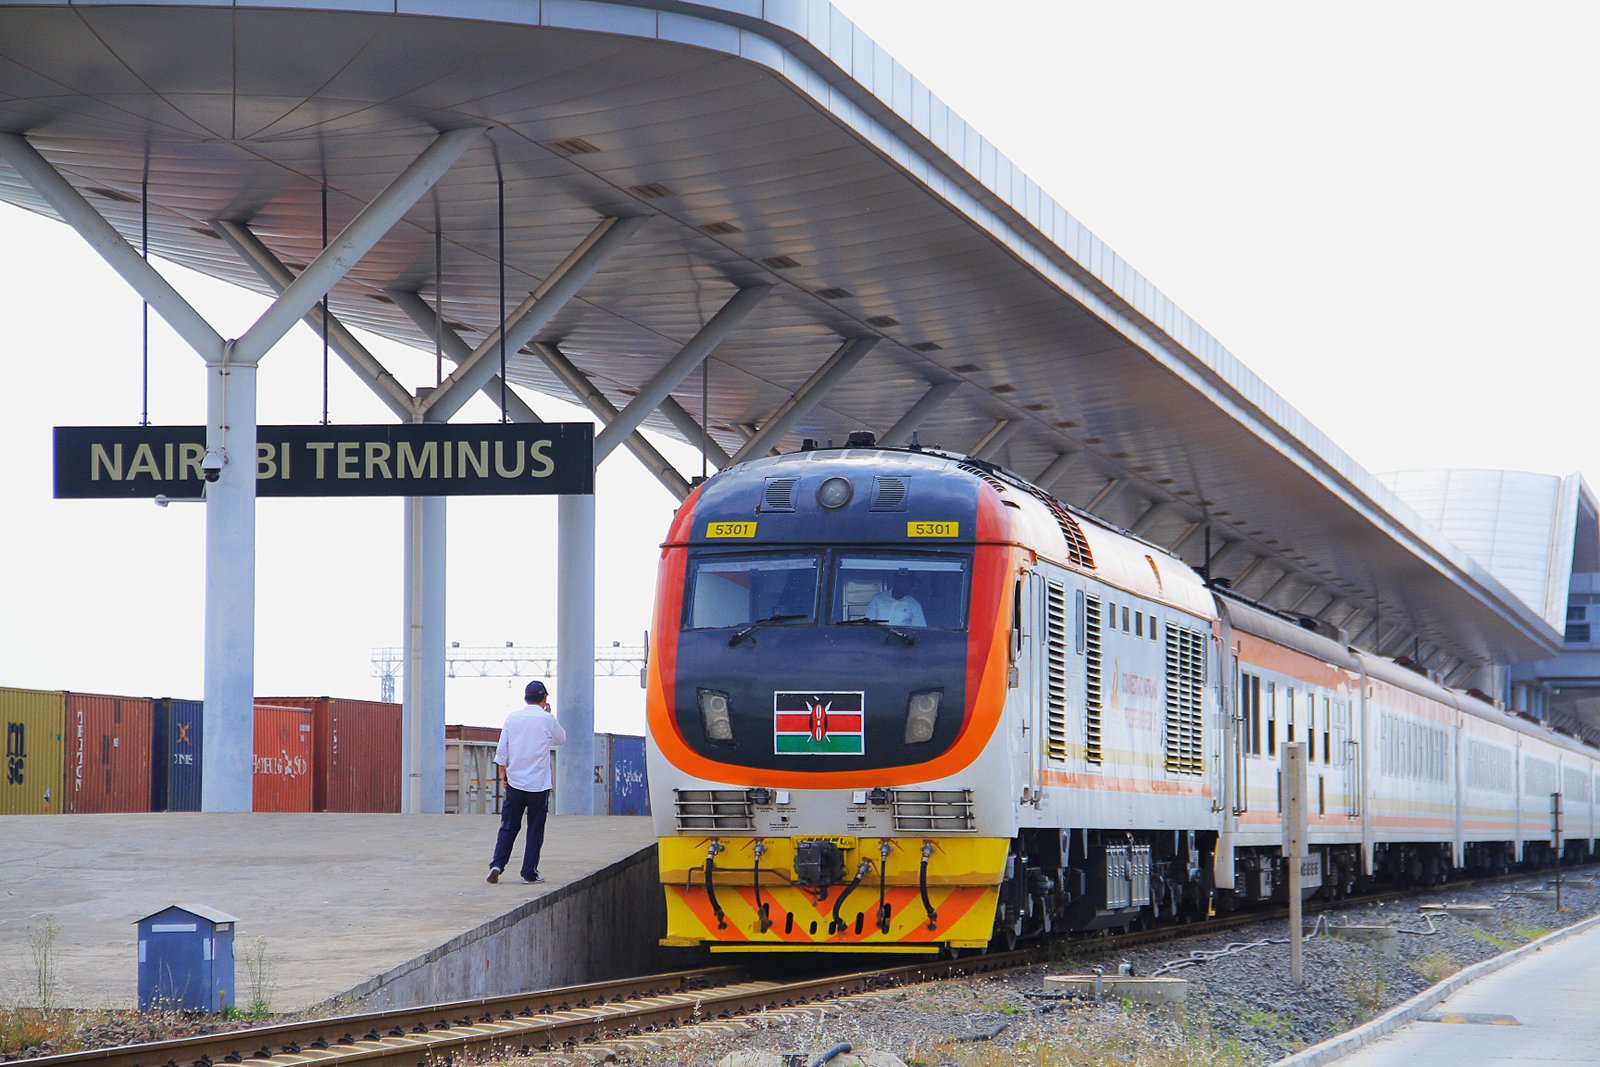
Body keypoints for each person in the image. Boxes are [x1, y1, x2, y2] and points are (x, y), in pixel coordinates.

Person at [487, 680, 567, 885]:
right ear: (544, 699)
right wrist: (550, 714)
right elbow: (561, 739)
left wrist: (503, 773)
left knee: (508, 826)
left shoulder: (512, 718)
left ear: (525, 698)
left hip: (515, 782)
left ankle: (497, 864)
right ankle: (528, 872)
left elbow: (501, 751)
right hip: (539, 785)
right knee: (535, 828)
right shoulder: (546, 719)